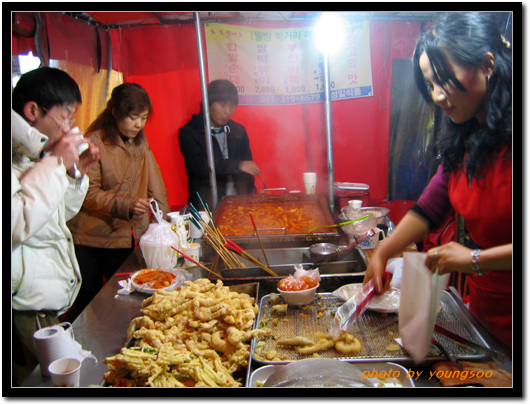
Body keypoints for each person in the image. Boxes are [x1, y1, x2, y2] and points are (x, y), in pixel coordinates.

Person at [364, 13, 512, 356]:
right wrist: (384, 251)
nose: (438, 96)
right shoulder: (465, 136)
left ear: (487, 65)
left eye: (444, 81)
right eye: (430, 85)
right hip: (487, 313)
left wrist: (475, 257)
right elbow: (429, 207)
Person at [11, 67, 100, 386]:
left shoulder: (35, 154)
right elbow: (17, 224)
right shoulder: (22, 156)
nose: (68, 128)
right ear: (33, 111)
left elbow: (58, 214)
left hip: (42, 298)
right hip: (22, 303)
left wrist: (74, 174)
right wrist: (55, 163)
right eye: (64, 118)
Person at [66, 83, 170, 321]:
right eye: (133, 117)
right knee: (88, 303)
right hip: (92, 239)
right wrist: (127, 204)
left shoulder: (140, 143)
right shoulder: (94, 143)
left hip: (127, 236)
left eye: (143, 118)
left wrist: (165, 221)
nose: (138, 125)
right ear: (115, 112)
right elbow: (86, 194)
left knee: (128, 298)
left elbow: (156, 183)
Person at [178, 79, 260, 208]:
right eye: (222, 105)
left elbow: (247, 175)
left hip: (238, 204)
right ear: (208, 104)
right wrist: (237, 165)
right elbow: (202, 167)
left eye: (232, 106)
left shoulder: (238, 131)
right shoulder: (190, 132)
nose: (228, 111)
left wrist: (252, 198)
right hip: (206, 207)